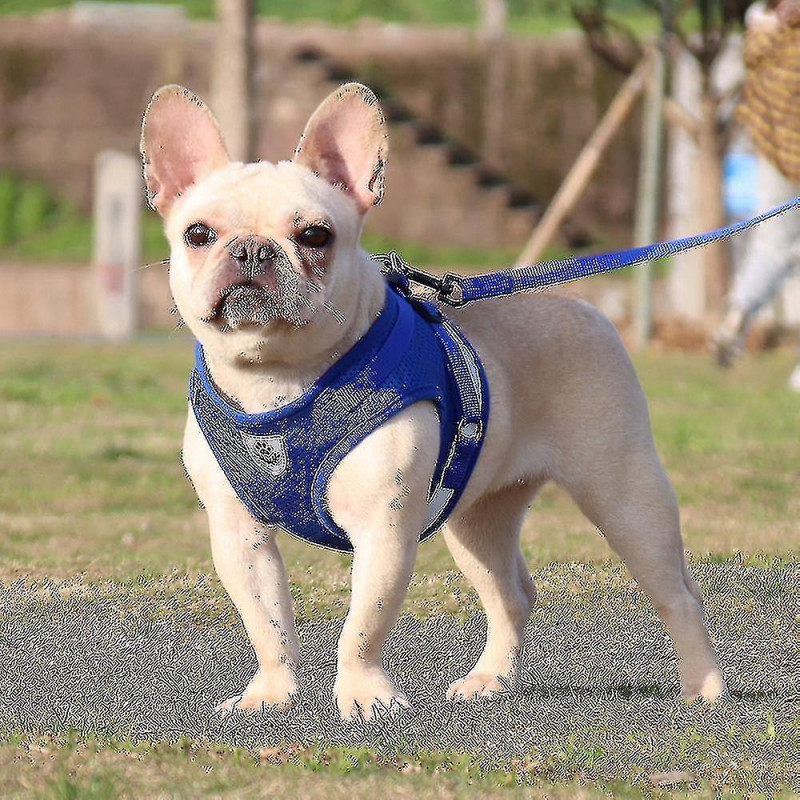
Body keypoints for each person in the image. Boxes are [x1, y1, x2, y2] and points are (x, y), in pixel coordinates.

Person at [713, 0, 800, 391]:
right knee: (779, 249)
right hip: (787, 154)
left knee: (771, 246)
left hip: (773, 151)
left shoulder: (761, 33)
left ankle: (740, 310)